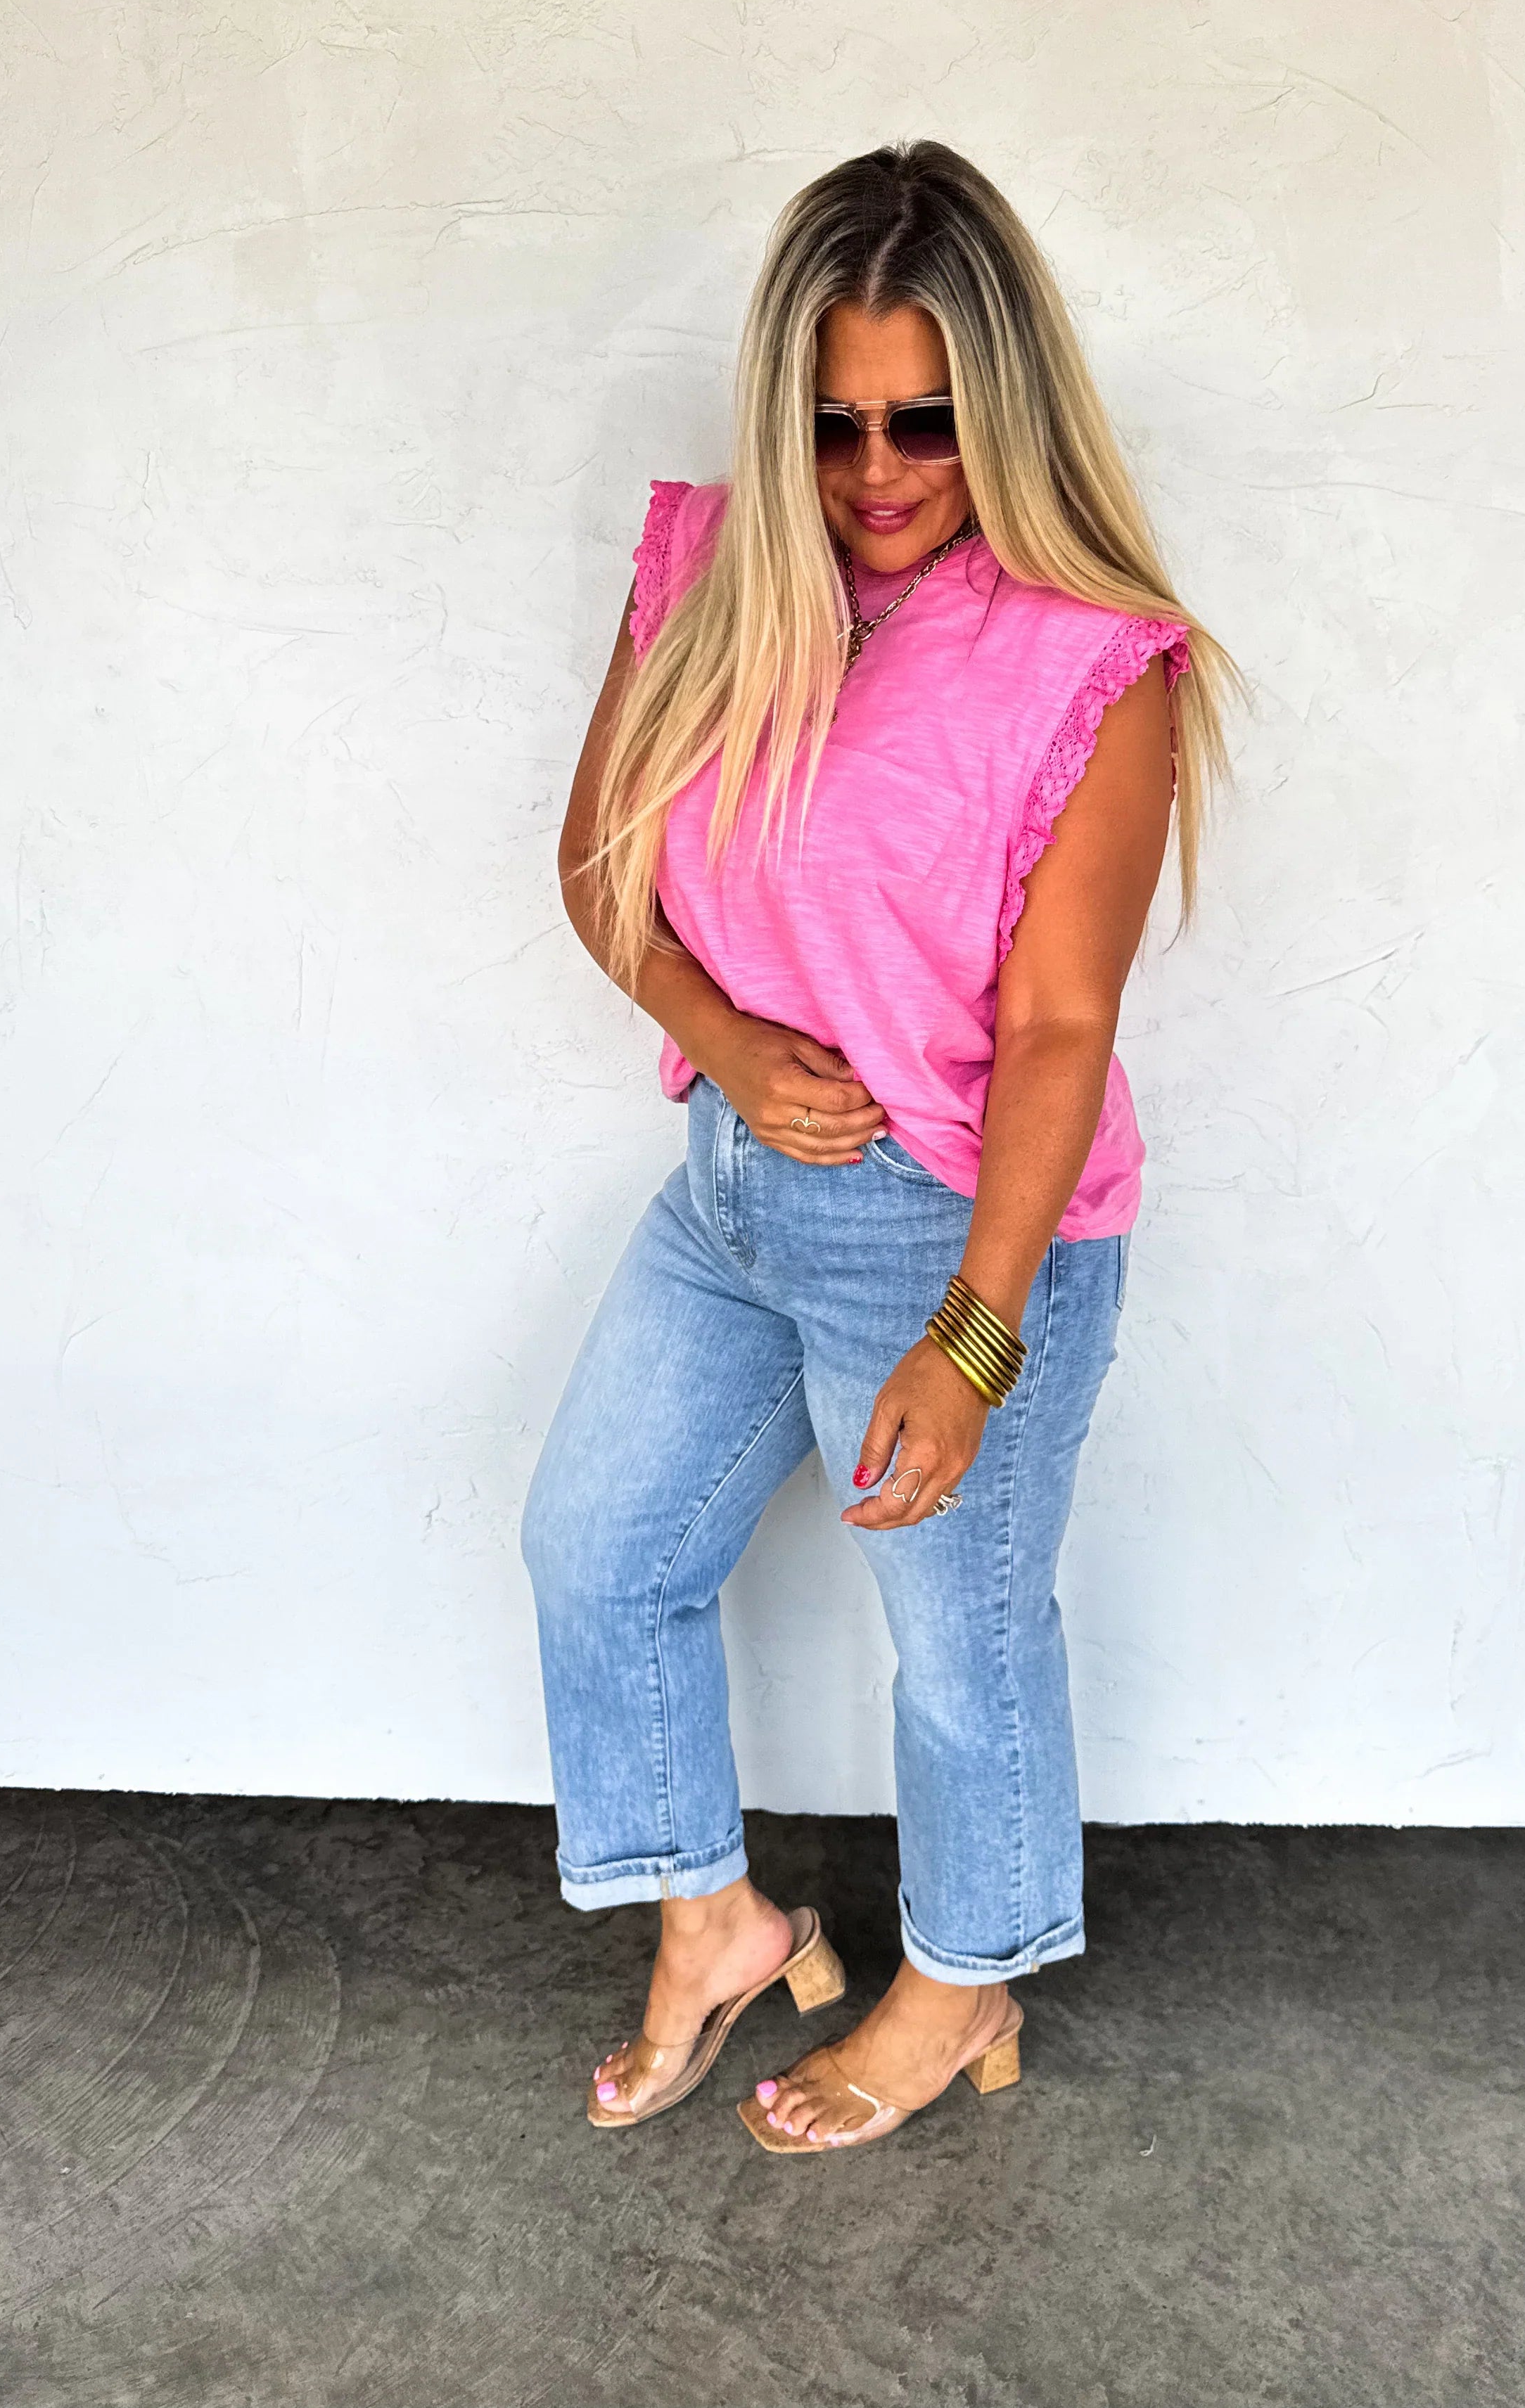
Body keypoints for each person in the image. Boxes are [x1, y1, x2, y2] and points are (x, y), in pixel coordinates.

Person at [521, 140, 1234, 2154]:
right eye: (833, 423)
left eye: (925, 419)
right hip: (734, 1199)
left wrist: (977, 1334)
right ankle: (719, 1920)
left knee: (960, 1640)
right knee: (601, 1548)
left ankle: (963, 1977)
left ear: (1004, 400)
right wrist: (724, 1044)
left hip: (956, 1231)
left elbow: (1061, 1027)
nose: (877, 469)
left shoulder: (1090, 654)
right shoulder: (713, 572)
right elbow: (598, 865)